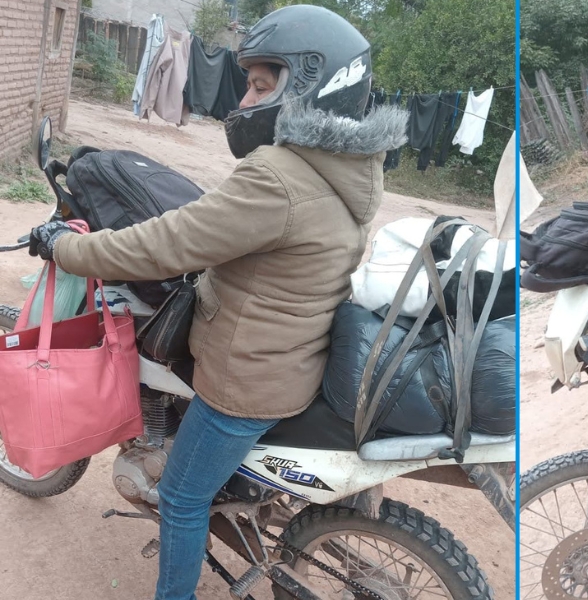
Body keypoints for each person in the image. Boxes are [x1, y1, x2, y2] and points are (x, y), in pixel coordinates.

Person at [28, 5, 408, 599]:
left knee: (181, 496)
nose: (247, 101)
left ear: (309, 84)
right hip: (296, 355)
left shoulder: (279, 175)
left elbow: (167, 243)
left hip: (248, 381)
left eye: (262, 84)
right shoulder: (351, 167)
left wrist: (67, 249)